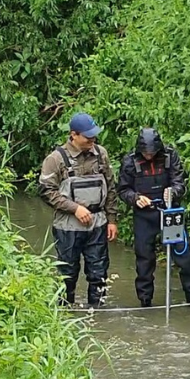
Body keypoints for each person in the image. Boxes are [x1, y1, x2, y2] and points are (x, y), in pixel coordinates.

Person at [38, 112, 118, 307]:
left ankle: (97, 318)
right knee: (67, 274)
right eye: (88, 136)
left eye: (94, 136)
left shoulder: (101, 154)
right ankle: (64, 317)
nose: (93, 139)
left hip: (98, 224)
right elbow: (45, 191)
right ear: (74, 135)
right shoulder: (55, 159)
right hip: (68, 227)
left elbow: (111, 187)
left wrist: (112, 219)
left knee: (99, 274)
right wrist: (75, 208)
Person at [117, 127, 190, 307]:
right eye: (146, 153)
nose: (149, 156)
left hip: (170, 213)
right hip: (144, 216)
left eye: (152, 153)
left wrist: (174, 192)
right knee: (144, 260)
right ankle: (145, 302)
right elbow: (123, 190)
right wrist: (135, 198)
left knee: (186, 258)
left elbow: (180, 183)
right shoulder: (130, 162)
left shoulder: (170, 157)